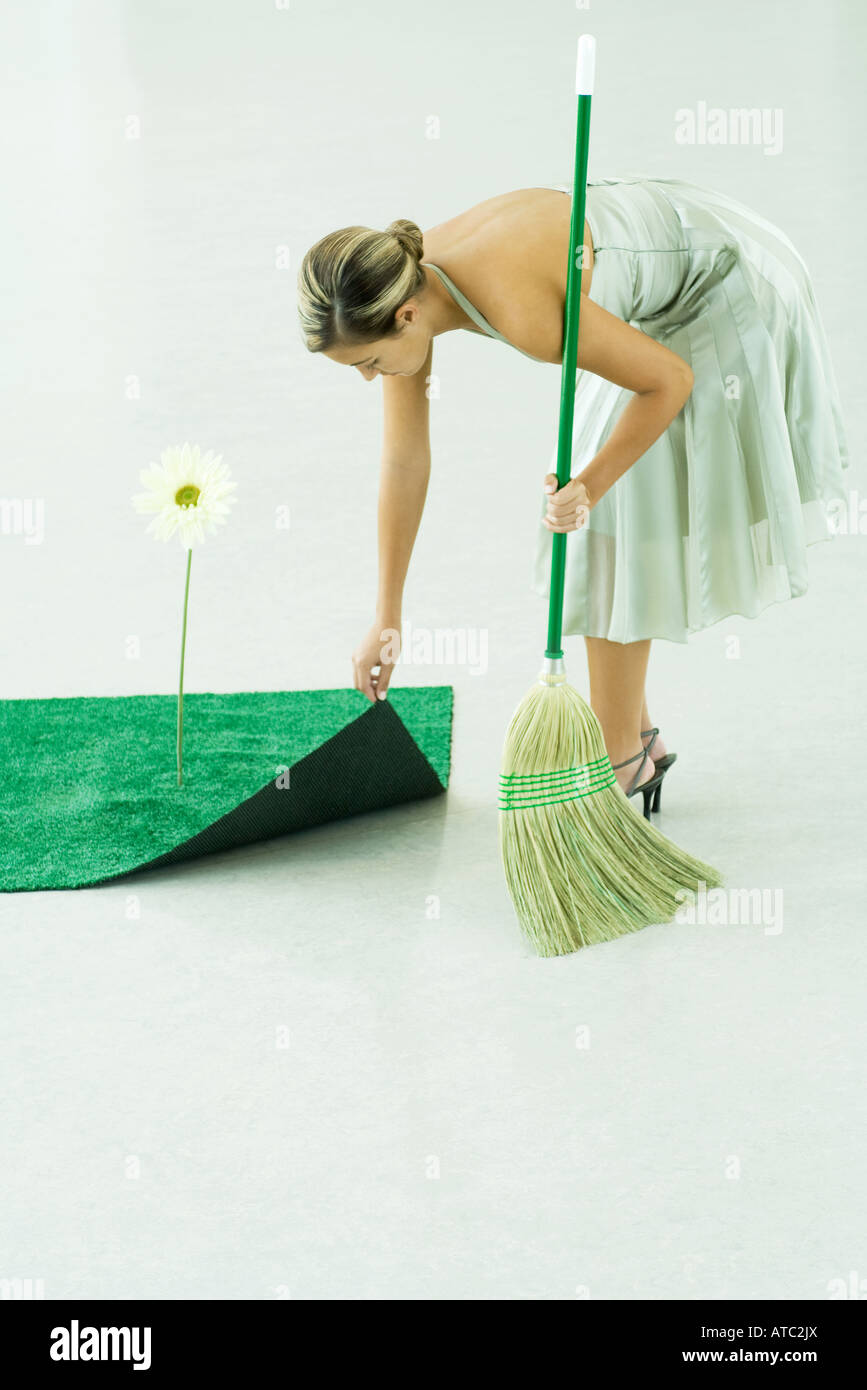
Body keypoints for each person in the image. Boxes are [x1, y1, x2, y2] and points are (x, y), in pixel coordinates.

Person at [296, 177, 849, 801]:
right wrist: (387, 615)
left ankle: (619, 766)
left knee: (610, 525)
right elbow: (404, 461)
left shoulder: (516, 304)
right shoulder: (400, 286)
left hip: (726, 280)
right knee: (604, 524)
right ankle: (638, 743)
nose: (370, 379)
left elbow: (668, 380)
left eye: (366, 363)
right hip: (652, 288)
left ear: (406, 317)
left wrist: (588, 487)